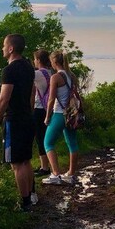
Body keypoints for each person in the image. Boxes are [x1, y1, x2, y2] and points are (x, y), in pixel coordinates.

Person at [0, 34, 36, 211]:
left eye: (4, 46)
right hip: (27, 117)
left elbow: (3, 99)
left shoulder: (9, 71)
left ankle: (24, 203)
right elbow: (32, 92)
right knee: (26, 160)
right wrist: (30, 111)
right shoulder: (28, 66)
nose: (2, 48)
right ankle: (31, 195)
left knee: (16, 164)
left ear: (11, 49)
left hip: (14, 120)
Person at [42, 51, 80, 185]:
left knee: (48, 143)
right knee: (72, 143)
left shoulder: (56, 77)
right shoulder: (72, 75)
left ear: (54, 62)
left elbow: (51, 99)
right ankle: (71, 174)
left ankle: (56, 174)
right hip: (71, 115)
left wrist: (47, 116)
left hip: (59, 113)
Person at [31, 49, 54, 176]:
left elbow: (26, 76)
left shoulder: (39, 74)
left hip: (39, 109)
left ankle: (44, 167)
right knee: (44, 137)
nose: (34, 61)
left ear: (39, 60)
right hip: (47, 109)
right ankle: (45, 165)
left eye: (35, 59)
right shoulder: (50, 72)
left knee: (40, 138)